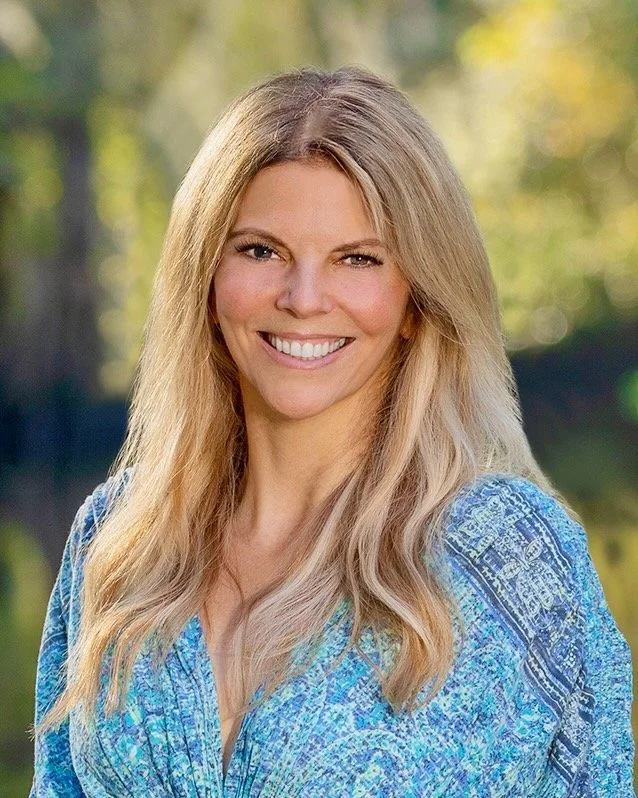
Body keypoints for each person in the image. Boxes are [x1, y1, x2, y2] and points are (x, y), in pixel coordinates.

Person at [30, 65, 634, 797]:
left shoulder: (506, 555)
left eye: (357, 259)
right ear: (207, 280)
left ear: (416, 299)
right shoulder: (119, 538)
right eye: (261, 250)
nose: (304, 298)